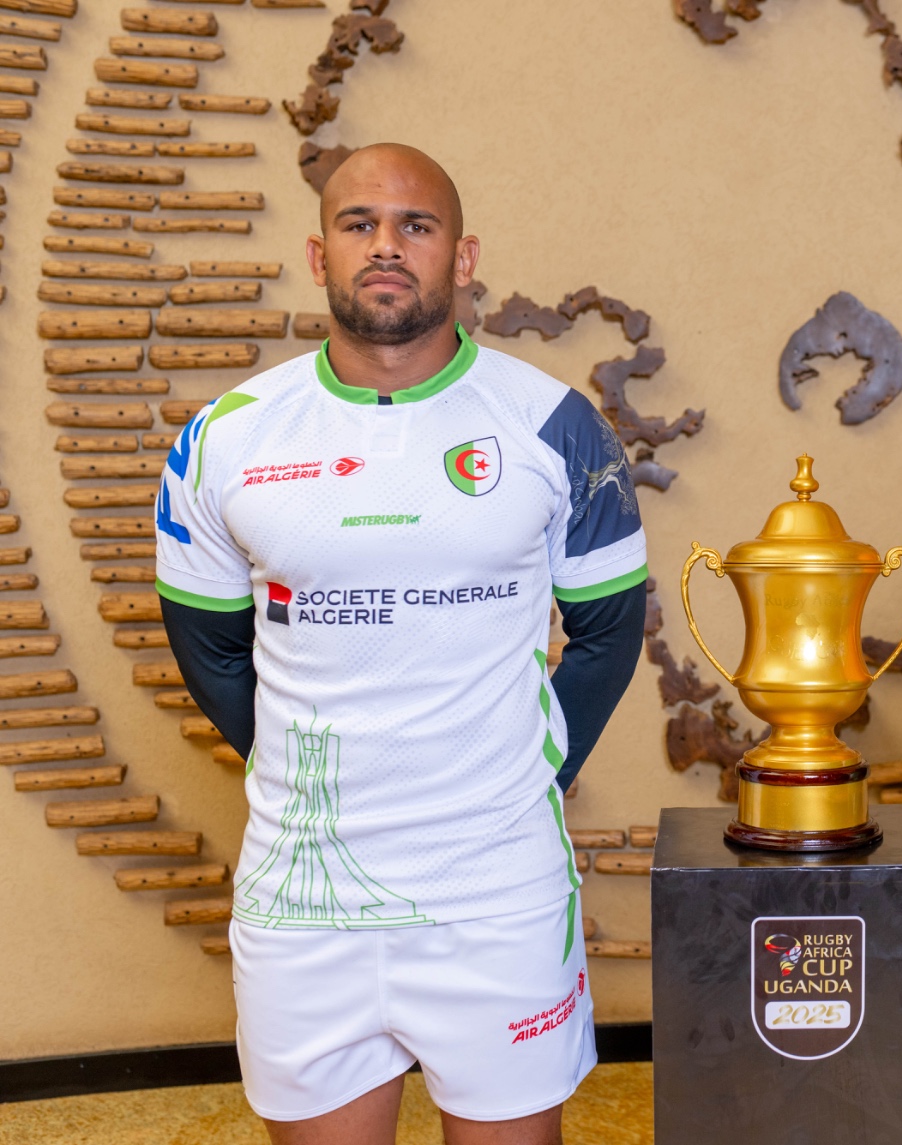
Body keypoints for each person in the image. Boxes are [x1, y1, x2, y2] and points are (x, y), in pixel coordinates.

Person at [156, 143, 647, 1145]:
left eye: (415, 226)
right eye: (359, 223)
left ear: (463, 258)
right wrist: (305, 773)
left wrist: (528, 773)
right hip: (302, 901)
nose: (386, 245)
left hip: (496, 891)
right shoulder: (227, 435)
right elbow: (212, 652)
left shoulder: (555, 424)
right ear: (318, 253)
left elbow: (608, 631)